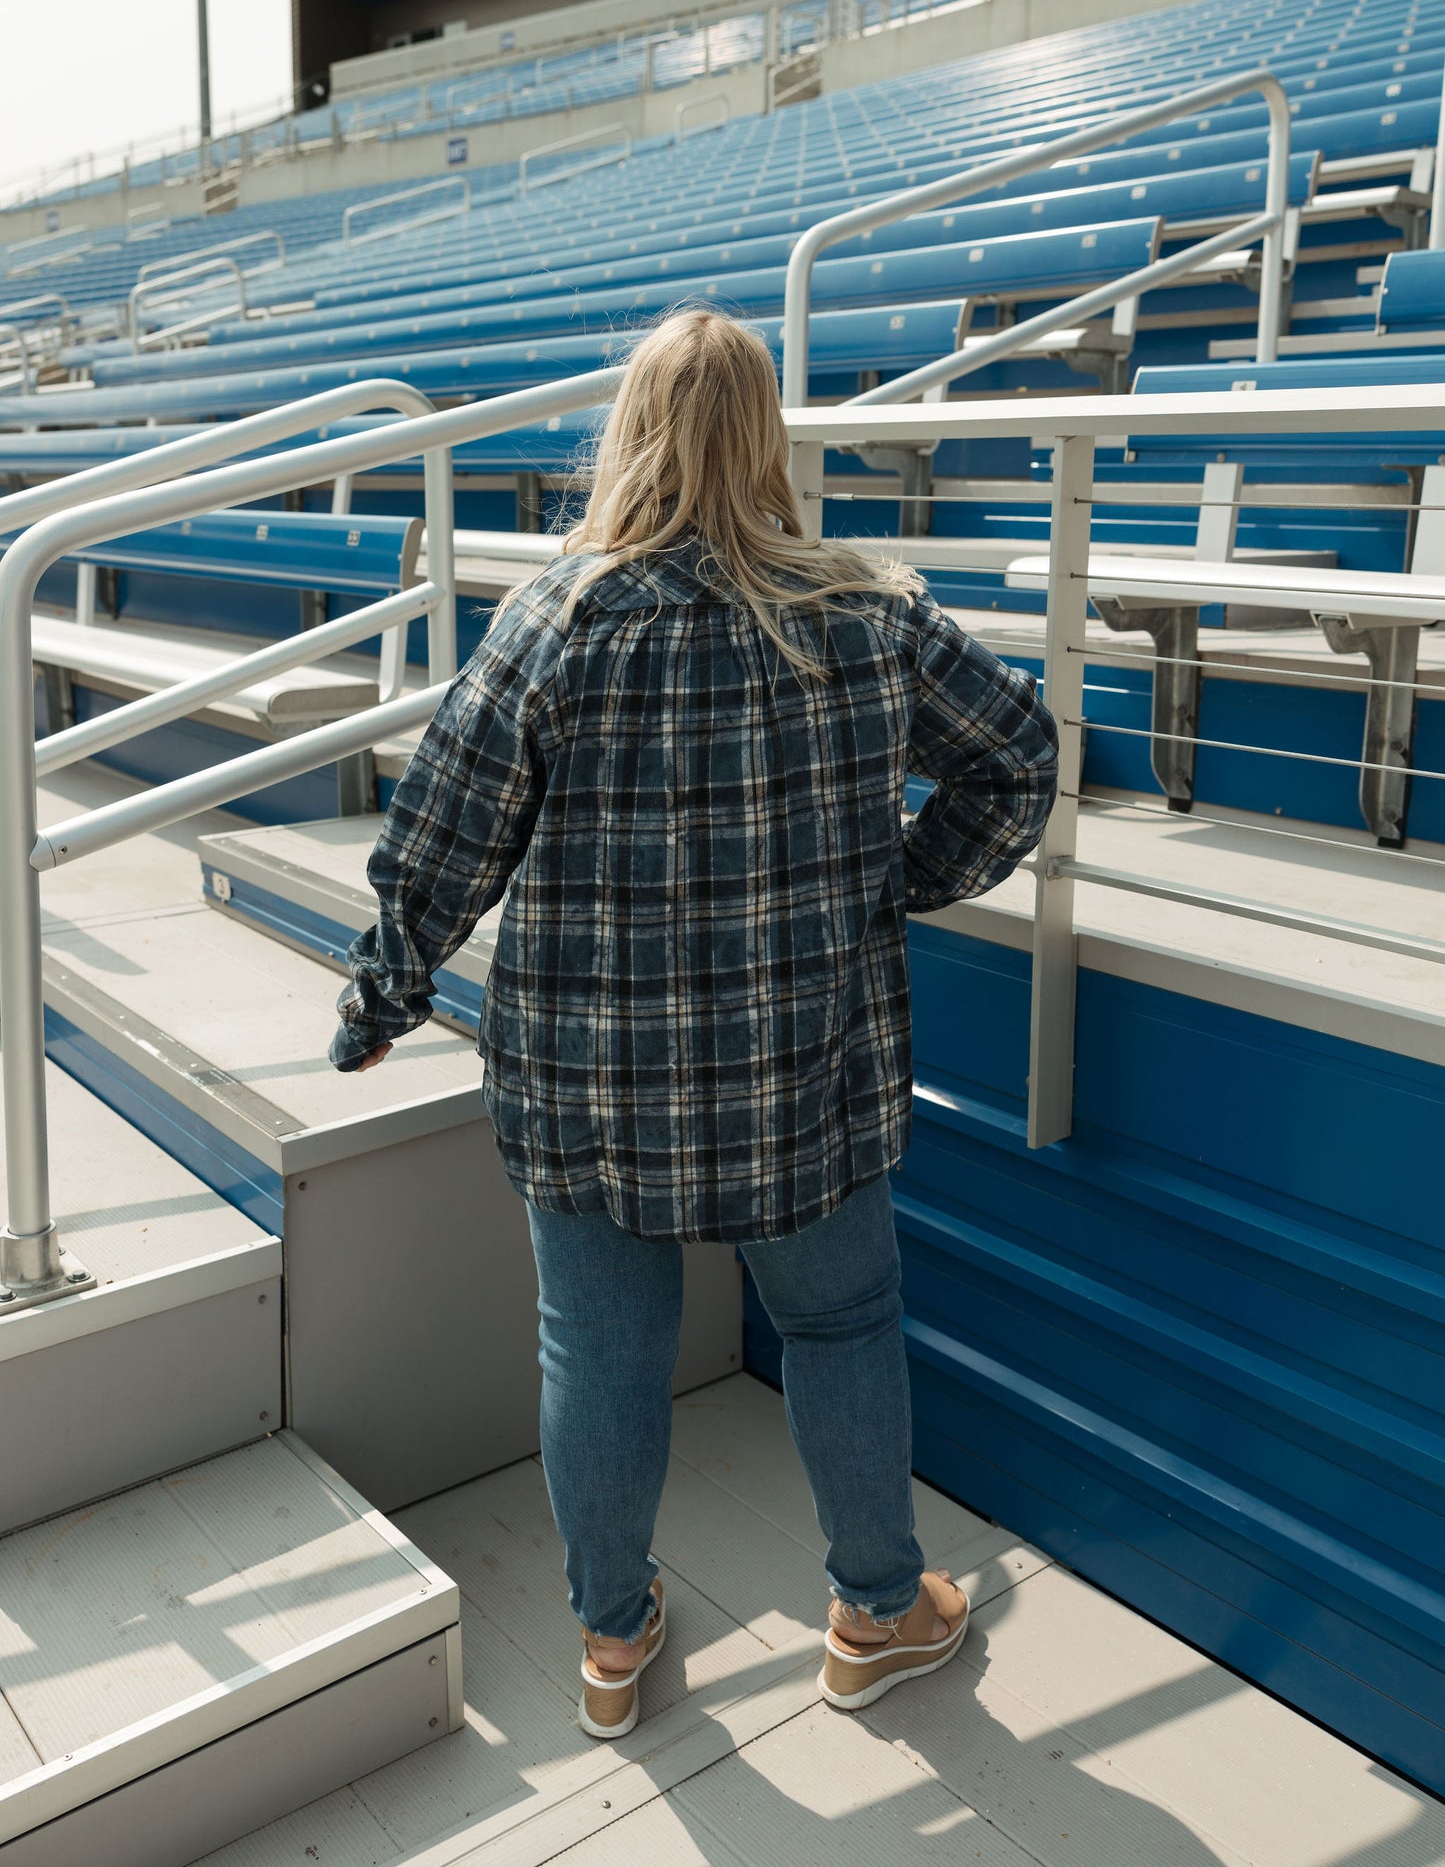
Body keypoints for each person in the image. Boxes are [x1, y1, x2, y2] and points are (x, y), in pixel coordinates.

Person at [330, 310, 1058, 1738]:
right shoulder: (870, 612)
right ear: (765, 436)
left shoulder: (558, 613)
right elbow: (1020, 762)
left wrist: (384, 989)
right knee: (843, 1326)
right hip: (807, 1067)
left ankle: (609, 1644)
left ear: (634, 433)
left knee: (592, 1353)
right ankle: (874, 1612)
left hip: (589, 1076)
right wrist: (903, 886)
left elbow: (442, 835)